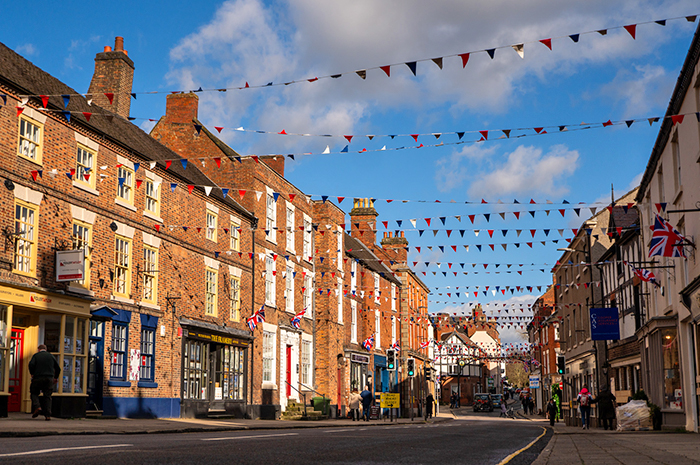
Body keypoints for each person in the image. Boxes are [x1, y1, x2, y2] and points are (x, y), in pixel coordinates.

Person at [28, 344, 60, 421]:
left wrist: (32, 373)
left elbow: (31, 365)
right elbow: (58, 368)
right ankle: (48, 415)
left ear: (39, 349)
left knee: (34, 392)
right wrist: (55, 377)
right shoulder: (51, 356)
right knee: (47, 396)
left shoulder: (36, 356)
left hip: (38, 377)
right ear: (45, 349)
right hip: (49, 378)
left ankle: (37, 407)